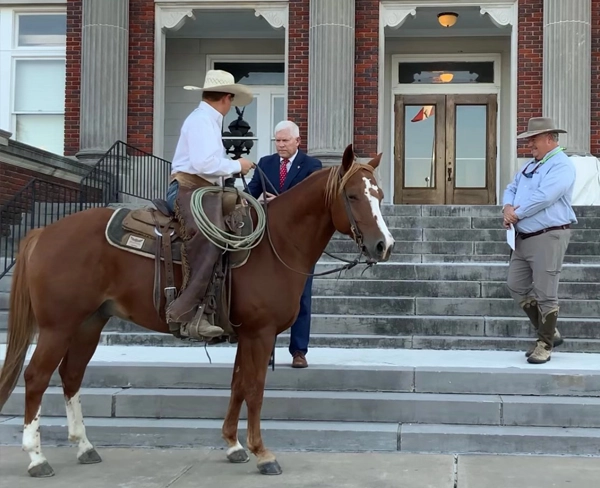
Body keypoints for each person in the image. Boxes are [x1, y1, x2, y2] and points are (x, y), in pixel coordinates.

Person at [164, 69, 255, 340]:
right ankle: (189, 313)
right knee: (211, 237)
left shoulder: (206, 120)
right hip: (188, 189)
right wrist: (238, 165)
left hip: (202, 190)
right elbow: (204, 164)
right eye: (232, 100)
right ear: (226, 98)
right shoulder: (203, 120)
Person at [247, 120, 322, 368]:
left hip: (299, 247)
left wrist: (279, 201)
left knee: (300, 298)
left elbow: (312, 205)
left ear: (297, 142)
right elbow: (250, 194)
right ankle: (266, 348)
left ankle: (299, 351)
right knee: (267, 297)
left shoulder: (313, 166)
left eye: (284, 141)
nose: (280, 145)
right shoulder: (266, 164)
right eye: (277, 140)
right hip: (268, 243)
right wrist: (254, 200)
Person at [502, 117, 577, 364]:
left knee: (546, 292)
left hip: (549, 235)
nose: (530, 144)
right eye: (529, 139)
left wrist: (517, 213)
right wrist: (507, 207)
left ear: (549, 138)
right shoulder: (530, 166)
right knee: (516, 285)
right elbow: (511, 187)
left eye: (533, 139)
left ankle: (544, 344)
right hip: (523, 237)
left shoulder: (561, 165)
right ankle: (550, 331)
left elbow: (546, 196)